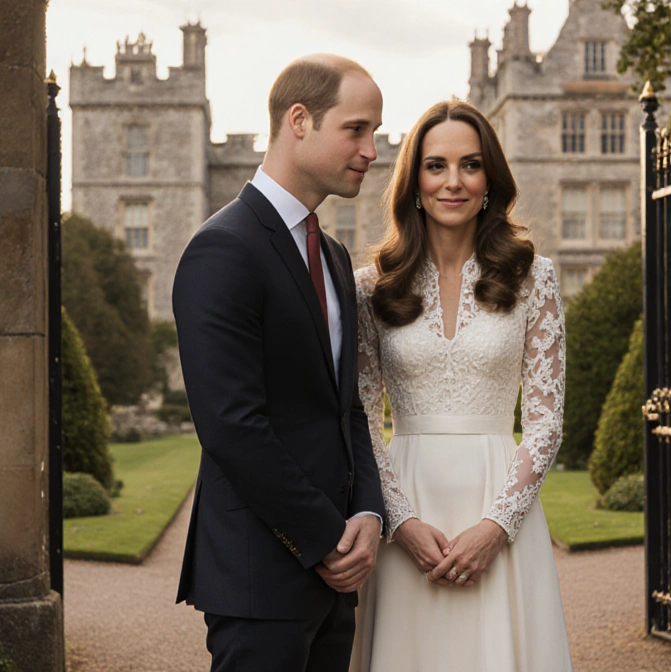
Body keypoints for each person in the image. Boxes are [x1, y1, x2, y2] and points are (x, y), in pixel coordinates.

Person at [172, 54, 387, 672]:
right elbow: (231, 426)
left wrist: (368, 513)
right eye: (356, 129)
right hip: (260, 571)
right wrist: (322, 538)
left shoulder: (336, 257)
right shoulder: (223, 248)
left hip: (334, 575)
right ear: (299, 120)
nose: (371, 149)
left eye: (374, 132)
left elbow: (346, 407)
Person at [350, 100, 572, 671]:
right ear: (413, 182)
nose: (454, 182)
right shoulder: (370, 286)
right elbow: (361, 417)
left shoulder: (534, 277)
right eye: (436, 166)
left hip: (501, 505)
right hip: (407, 505)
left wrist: (498, 526)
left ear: (490, 180)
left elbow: (546, 421)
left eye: (470, 165)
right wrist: (400, 520)